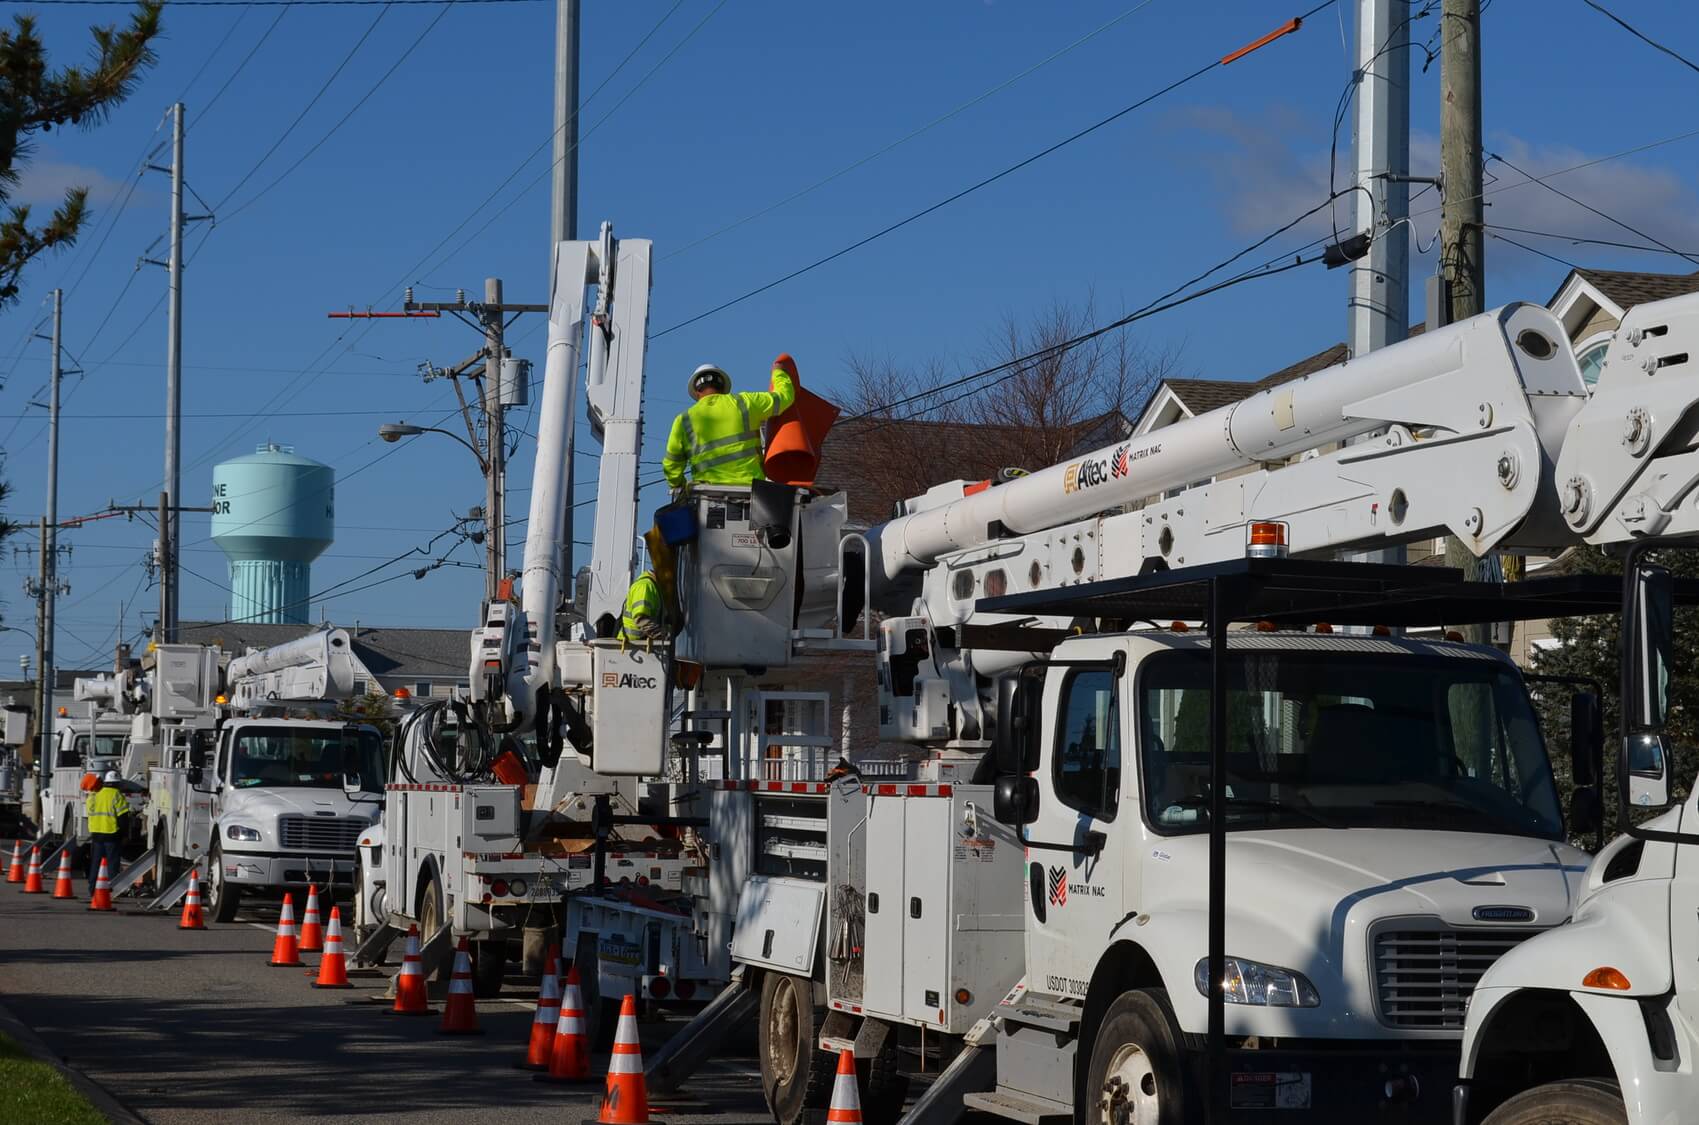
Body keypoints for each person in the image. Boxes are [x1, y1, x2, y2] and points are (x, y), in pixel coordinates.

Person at [662, 355, 798, 490]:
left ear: (697, 392)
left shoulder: (684, 420)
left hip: (706, 494)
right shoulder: (745, 403)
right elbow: (785, 397)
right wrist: (779, 372)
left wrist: (679, 485)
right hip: (751, 491)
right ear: (723, 387)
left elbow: (671, 465)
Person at [85, 770, 129, 887]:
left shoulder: (95, 795)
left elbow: (89, 812)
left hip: (96, 835)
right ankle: (111, 889)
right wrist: (125, 835)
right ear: (118, 783)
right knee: (112, 864)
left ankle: (92, 888)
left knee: (96, 863)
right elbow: (123, 819)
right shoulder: (117, 796)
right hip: (112, 835)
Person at [620, 569, 666, 643]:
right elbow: (641, 619)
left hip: (638, 645)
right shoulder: (645, 586)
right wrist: (663, 636)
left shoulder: (652, 586)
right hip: (631, 645)